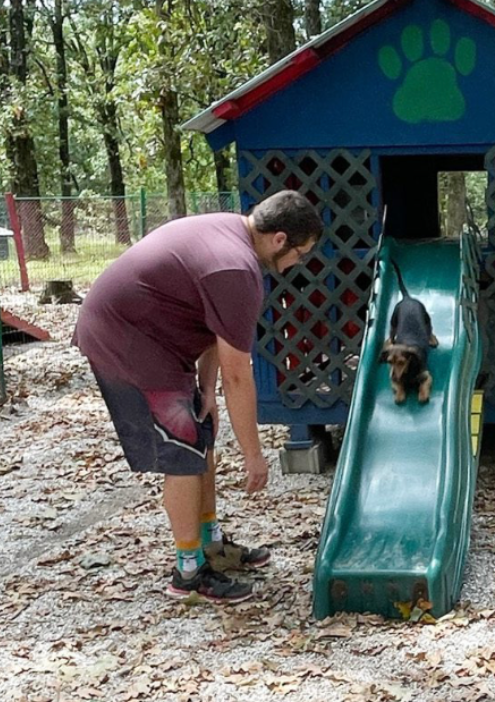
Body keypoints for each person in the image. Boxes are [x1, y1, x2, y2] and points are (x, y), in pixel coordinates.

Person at [73, 190, 323, 604]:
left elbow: (212, 328)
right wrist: (253, 455)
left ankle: (211, 544)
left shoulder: (231, 236)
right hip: (125, 339)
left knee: (200, 429)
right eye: (301, 252)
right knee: (183, 450)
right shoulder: (237, 268)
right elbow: (239, 376)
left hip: (155, 337)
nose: (298, 263)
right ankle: (188, 572)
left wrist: (206, 391)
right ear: (280, 239)